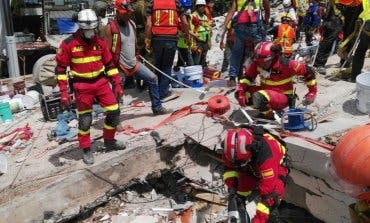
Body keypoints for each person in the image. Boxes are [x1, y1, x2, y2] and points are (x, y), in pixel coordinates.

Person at [55, 9, 125, 165]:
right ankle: (86, 149)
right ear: (80, 27)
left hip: (101, 83)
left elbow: (110, 65)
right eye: (87, 29)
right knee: (85, 120)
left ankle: (109, 140)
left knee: (114, 112)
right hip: (82, 86)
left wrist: (117, 84)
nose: (90, 32)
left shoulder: (99, 43)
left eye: (92, 29)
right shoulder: (68, 44)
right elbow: (60, 70)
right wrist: (63, 92)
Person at [104, 0, 168, 115]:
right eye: (125, 13)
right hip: (119, 66)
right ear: (117, 12)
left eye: (129, 12)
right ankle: (114, 119)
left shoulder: (132, 24)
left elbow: (134, 44)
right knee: (117, 91)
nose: (128, 15)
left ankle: (157, 108)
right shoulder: (110, 28)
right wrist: (110, 70)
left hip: (134, 63)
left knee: (153, 78)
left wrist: (137, 56)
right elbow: (106, 52)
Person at [222, 125, 289, 223]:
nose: (239, 165)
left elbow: (268, 192)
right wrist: (232, 187)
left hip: (276, 166)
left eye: (241, 162)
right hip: (252, 163)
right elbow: (229, 168)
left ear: (252, 149)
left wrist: (258, 219)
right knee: (240, 193)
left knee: (271, 198)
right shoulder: (230, 150)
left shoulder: (267, 156)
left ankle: (273, 217)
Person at [236, 41, 317, 119]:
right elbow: (246, 77)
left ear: (274, 57)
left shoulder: (287, 64)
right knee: (242, 93)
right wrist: (240, 93)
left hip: (283, 96)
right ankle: (266, 109)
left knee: (259, 97)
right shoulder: (257, 63)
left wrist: (312, 93)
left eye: (264, 62)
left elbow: (309, 71)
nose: (261, 65)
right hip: (265, 93)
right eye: (259, 62)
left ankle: (269, 115)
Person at [145, 0, 190, 101]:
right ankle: (163, 92)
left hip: (156, 38)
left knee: (158, 66)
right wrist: (187, 37)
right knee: (167, 66)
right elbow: (185, 23)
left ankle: (156, 92)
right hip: (171, 38)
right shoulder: (176, 3)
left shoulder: (152, 3)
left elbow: (148, 24)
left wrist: (147, 39)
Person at [224, 0, 271, 86]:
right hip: (255, 26)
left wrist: (224, 27)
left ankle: (232, 78)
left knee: (236, 52)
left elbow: (232, 11)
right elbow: (267, 7)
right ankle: (261, 76)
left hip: (240, 26)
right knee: (261, 51)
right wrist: (266, 20)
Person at [313, 0, 344, 74]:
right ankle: (319, 64)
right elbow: (322, 5)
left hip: (348, 14)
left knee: (347, 40)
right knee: (328, 41)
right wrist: (322, 9)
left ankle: (345, 61)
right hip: (332, 18)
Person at [351, 0, 370, 82]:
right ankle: (355, 76)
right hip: (367, 23)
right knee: (361, 49)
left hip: (366, 22)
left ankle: (354, 76)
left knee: (361, 50)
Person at [190, 0, 212, 67]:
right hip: (197, 41)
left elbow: (208, 28)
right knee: (197, 59)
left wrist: (209, 41)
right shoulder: (193, 16)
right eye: (200, 6)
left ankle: (201, 72)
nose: (202, 7)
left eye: (203, 6)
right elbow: (191, 29)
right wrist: (193, 43)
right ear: (197, 7)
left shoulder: (205, 17)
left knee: (203, 59)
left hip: (205, 41)